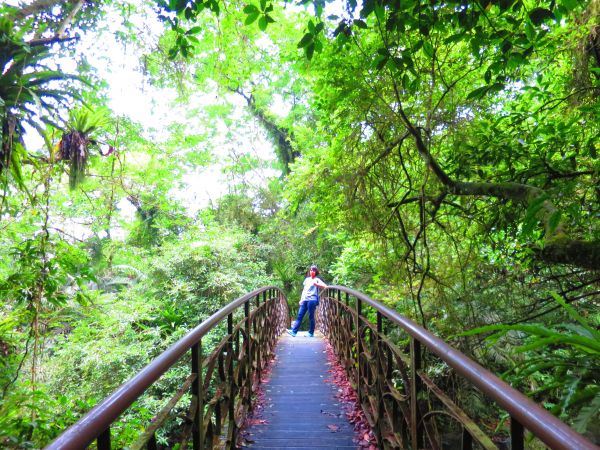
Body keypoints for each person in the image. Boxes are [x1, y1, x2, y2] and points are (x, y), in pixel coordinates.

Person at [287, 265, 328, 337]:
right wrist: (301, 299)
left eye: (314, 270)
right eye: (311, 270)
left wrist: (317, 285)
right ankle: (294, 332)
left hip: (312, 300)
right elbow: (304, 290)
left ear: (316, 272)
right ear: (310, 271)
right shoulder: (307, 279)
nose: (312, 271)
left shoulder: (317, 279)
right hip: (305, 300)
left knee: (311, 316)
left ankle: (311, 332)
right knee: (300, 315)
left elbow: (325, 286)